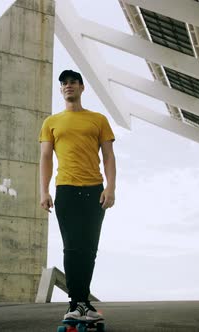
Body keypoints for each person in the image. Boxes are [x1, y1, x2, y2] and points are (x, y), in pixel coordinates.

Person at [39, 69, 116, 321]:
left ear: (82, 88)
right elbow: (45, 158)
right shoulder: (51, 122)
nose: (68, 86)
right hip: (67, 190)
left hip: (95, 192)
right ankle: (76, 304)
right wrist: (44, 191)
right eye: (64, 84)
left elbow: (108, 156)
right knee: (72, 248)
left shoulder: (98, 119)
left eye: (73, 82)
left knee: (89, 249)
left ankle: (83, 303)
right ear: (61, 90)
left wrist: (110, 188)